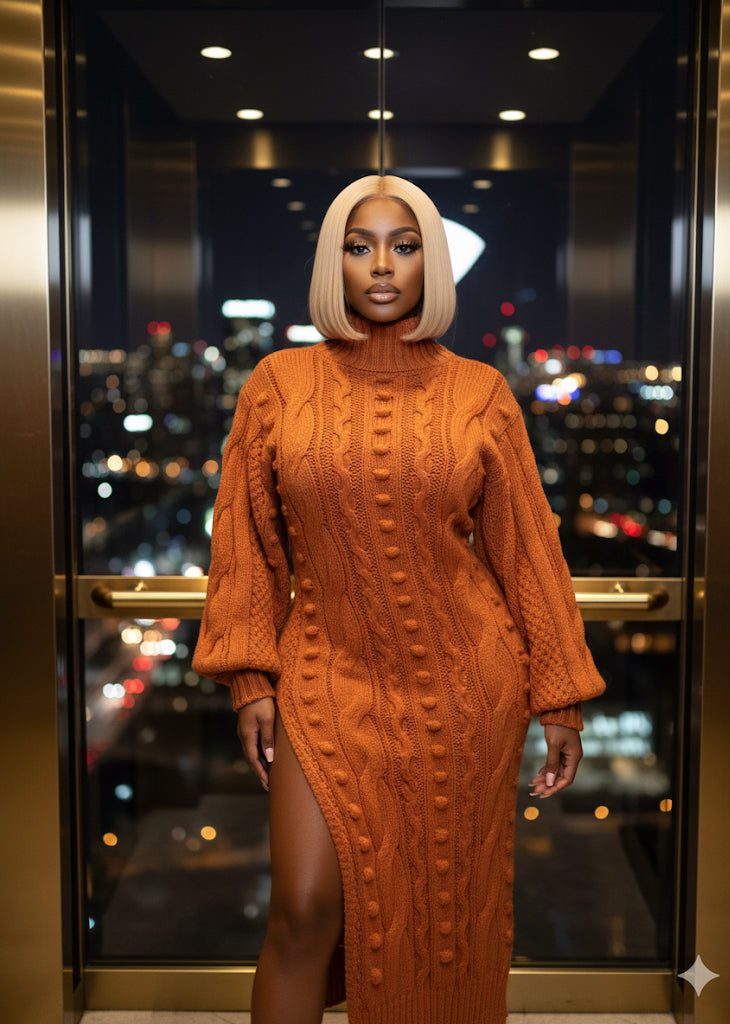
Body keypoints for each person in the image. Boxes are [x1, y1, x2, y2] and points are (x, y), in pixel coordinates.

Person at [192, 175, 606, 1024]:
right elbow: (243, 546)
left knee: (442, 919)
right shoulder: (276, 383)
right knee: (301, 911)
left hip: (463, 691)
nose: (381, 264)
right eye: (358, 244)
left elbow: (526, 550)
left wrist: (557, 695)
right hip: (322, 675)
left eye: (404, 245)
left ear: (432, 262)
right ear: (331, 262)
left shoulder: (480, 392)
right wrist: (250, 680)